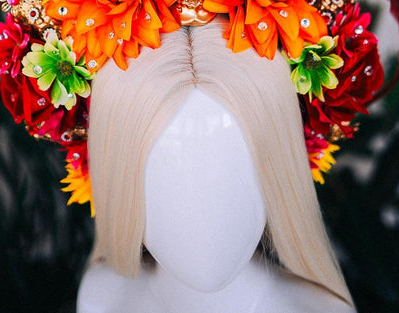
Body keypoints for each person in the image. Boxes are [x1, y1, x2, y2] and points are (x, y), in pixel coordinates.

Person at [77, 18, 354, 313]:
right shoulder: (101, 300)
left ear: (281, 176)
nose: (204, 224)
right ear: (118, 180)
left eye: (232, 179)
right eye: (169, 183)